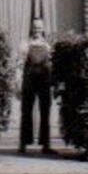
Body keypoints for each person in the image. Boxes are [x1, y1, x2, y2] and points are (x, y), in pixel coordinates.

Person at [19, 18, 55, 154]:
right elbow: (20, 63)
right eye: (35, 28)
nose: (37, 31)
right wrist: (18, 79)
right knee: (26, 112)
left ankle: (45, 145)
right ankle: (23, 144)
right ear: (31, 29)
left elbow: (52, 63)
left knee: (45, 113)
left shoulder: (48, 45)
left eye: (39, 28)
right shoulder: (25, 44)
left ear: (43, 29)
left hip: (44, 81)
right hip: (29, 81)